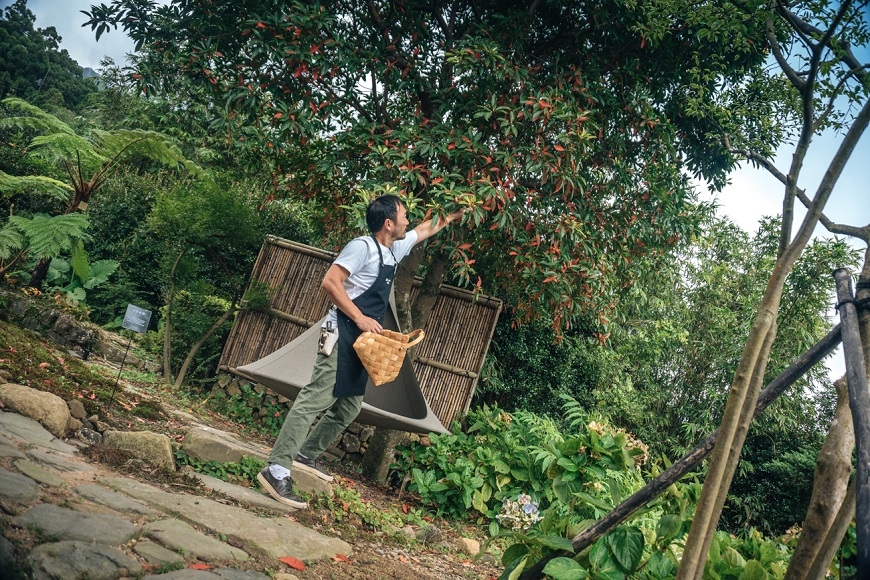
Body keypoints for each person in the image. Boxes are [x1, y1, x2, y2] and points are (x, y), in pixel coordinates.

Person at [258, 195, 465, 509]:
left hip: (361, 343)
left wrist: (457, 213)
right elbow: (331, 282)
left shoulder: (392, 250)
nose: (408, 220)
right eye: (404, 215)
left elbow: (425, 230)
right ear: (388, 223)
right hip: (341, 332)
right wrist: (359, 317)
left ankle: (305, 454)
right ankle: (276, 469)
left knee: (349, 407)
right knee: (314, 399)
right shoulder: (362, 247)